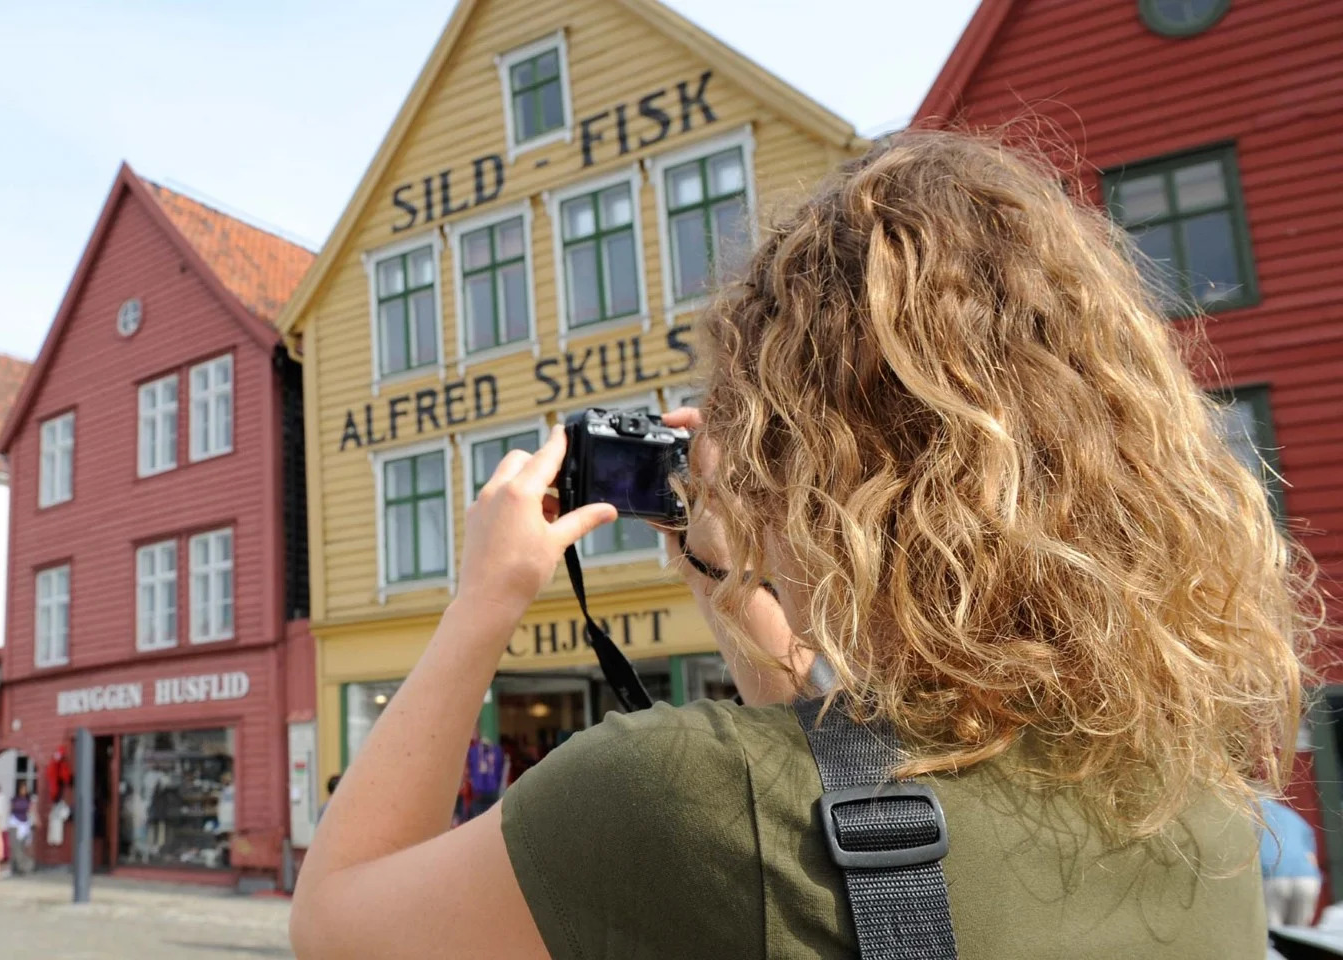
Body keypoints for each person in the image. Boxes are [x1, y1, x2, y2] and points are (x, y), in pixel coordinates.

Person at [288, 132, 1316, 958]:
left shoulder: (667, 794)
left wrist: (483, 599)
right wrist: (740, 598)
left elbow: (336, 922)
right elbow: (849, 790)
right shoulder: (1198, 805)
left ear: (812, 471)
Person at [1261, 797, 1321, 927]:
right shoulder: (1292, 815)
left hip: (1272, 876)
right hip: (1307, 878)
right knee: (1301, 935)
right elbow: (1311, 855)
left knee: (1274, 933)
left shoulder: (1250, 814)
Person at [7, 781, 34, 875]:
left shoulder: (28, 800)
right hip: (15, 823)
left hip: (24, 823)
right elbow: (10, 810)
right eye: (22, 789)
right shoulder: (14, 799)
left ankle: (19, 866)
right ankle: (17, 866)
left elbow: (32, 810)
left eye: (25, 789)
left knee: (22, 846)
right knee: (15, 846)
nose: (24, 791)